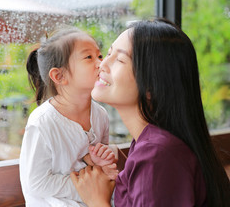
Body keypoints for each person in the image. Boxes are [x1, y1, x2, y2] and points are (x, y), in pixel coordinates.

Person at [71, 18, 230, 207]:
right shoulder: (152, 144)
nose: (102, 64)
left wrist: (97, 201)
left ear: (152, 85)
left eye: (119, 59)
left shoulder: (158, 154)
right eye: (108, 54)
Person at [19, 26, 118, 207]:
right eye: (89, 57)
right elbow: (36, 184)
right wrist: (88, 187)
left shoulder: (100, 115)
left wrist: (104, 162)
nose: (101, 63)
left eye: (100, 55)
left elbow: (100, 170)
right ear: (59, 75)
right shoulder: (42, 122)